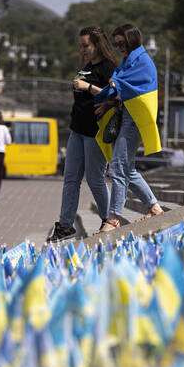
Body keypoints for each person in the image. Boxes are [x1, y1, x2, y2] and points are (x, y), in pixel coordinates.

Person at [47, 26, 117, 242]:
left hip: (95, 132)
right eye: (81, 46)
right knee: (70, 179)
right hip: (77, 131)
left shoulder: (109, 68)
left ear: (98, 45)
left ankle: (109, 220)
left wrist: (88, 87)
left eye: (86, 45)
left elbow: (116, 95)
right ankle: (66, 225)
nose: (82, 50)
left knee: (95, 178)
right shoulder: (86, 67)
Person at [94, 23, 164, 233]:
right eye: (117, 45)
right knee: (126, 168)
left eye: (122, 43)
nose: (120, 48)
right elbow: (123, 88)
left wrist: (114, 85)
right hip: (127, 117)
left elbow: (132, 87)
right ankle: (154, 207)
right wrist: (109, 100)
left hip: (134, 120)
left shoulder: (142, 61)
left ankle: (114, 218)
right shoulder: (128, 62)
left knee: (117, 167)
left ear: (132, 39)